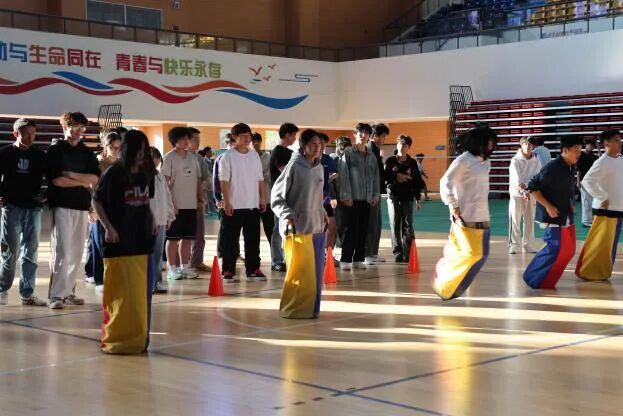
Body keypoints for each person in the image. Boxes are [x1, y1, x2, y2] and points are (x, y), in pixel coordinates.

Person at [92, 130, 156, 354]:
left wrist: (152, 218)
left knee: (141, 294)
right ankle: (116, 338)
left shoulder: (146, 173)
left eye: (144, 151)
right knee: (120, 292)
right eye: (138, 150)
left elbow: (147, 201)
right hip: (119, 240)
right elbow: (97, 201)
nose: (141, 155)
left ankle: (140, 339)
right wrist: (108, 227)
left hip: (142, 240)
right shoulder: (114, 173)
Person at [435, 126, 497, 300]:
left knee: (480, 254)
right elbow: (445, 182)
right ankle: (446, 284)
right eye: (489, 141)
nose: (491, 145)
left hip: (483, 215)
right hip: (465, 216)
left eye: (493, 141)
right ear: (479, 142)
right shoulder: (464, 160)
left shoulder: (486, 162)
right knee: (473, 254)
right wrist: (453, 205)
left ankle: (446, 279)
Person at [271, 129, 328, 319]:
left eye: (319, 144)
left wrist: (323, 212)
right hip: (297, 229)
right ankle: (293, 309)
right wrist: (287, 214)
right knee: (300, 273)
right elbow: (276, 196)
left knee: (315, 274)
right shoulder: (294, 166)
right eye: (313, 143)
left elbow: (317, 197)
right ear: (303, 146)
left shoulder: (319, 167)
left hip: (317, 228)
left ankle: (311, 310)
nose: (317, 147)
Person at [47, 112, 100, 309]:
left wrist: (71, 175)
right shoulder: (55, 150)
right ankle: (56, 295)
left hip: (82, 206)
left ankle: (68, 292)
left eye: (82, 128)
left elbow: (94, 179)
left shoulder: (86, 152)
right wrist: (82, 181)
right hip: (61, 205)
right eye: (75, 127)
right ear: (65, 127)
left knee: (77, 251)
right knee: (62, 250)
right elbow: (57, 181)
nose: (79, 131)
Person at [523, 136, 583, 290]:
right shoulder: (552, 167)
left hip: (566, 214)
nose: (578, 154)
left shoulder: (570, 166)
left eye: (580, 150)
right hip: (554, 216)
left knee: (568, 250)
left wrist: (571, 203)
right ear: (565, 150)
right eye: (575, 150)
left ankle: (546, 279)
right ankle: (533, 277)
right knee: (554, 248)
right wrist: (548, 206)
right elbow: (532, 186)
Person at [0, 118, 47, 306]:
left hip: (33, 207)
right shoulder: (5, 153)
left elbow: (50, 178)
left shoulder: (39, 155)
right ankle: (2, 289)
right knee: (9, 250)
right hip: (12, 206)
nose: (30, 137)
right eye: (26, 133)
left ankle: (27, 293)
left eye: (33, 133)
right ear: (15, 134)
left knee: (31, 251)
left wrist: (45, 196)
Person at [219, 123, 267, 282]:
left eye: (249, 135)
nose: (247, 139)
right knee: (230, 240)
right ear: (234, 137)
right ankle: (228, 269)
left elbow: (260, 178)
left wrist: (262, 197)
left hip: (252, 204)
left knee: (253, 239)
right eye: (243, 136)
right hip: (234, 205)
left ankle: (253, 269)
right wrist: (227, 202)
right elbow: (224, 181)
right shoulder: (228, 156)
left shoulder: (254, 156)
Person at [576, 130, 623, 281]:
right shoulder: (602, 162)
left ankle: (603, 272)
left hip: (618, 209)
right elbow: (587, 181)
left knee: (610, 246)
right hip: (605, 210)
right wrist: (602, 197)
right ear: (606, 143)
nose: (620, 142)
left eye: (620, 139)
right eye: (616, 140)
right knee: (600, 244)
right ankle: (589, 272)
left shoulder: (620, 160)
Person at [337, 123, 380, 270]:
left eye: (366, 133)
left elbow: (376, 176)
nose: (363, 135)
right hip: (351, 198)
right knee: (350, 230)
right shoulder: (348, 153)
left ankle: (358, 259)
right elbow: (343, 175)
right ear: (355, 134)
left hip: (367, 199)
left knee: (363, 230)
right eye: (360, 132)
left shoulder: (371, 155)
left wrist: (375, 194)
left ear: (369, 136)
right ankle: (345, 259)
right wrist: (346, 196)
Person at [161, 127, 202, 280]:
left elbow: (197, 180)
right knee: (173, 239)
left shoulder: (192, 157)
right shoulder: (169, 158)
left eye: (187, 138)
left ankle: (185, 267)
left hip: (191, 205)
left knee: (187, 238)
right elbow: (164, 183)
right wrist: (171, 204)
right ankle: (172, 269)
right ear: (175, 141)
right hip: (175, 207)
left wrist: (199, 200)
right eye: (183, 139)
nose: (186, 141)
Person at [85, 130, 122, 293]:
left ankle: (114, 277)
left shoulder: (121, 164)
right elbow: (90, 188)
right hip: (99, 208)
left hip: (116, 209)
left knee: (114, 245)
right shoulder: (98, 163)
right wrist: (90, 210)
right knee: (99, 244)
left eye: (118, 148)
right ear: (105, 146)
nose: (115, 150)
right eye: (112, 147)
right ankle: (100, 279)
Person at [384, 135, 424, 263]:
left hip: (408, 197)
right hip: (394, 197)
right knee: (395, 224)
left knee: (408, 225)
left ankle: (408, 253)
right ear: (397, 145)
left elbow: (417, 181)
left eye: (405, 145)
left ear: (409, 147)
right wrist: (397, 177)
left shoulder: (412, 163)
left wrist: (418, 197)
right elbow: (385, 177)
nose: (402, 146)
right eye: (400, 143)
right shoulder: (390, 161)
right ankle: (398, 252)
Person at [268, 123, 299, 272]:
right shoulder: (278, 152)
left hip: (291, 195)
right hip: (280, 197)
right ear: (287, 135)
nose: (295, 139)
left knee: (289, 228)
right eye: (294, 135)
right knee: (277, 229)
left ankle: (289, 257)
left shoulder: (291, 153)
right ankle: (277, 260)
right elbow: (285, 173)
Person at [508, 136, 541, 254]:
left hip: (531, 194)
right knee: (515, 219)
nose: (527, 146)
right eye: (525, 144)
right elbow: (516, 178)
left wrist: (528, 189)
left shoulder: (536, 161)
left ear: (533, 146)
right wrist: (522, 190)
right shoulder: (515, 160)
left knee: (530, 219)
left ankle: (528, 244)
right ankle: (514, 245)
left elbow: (536, 178)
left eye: (530, 144)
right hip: (516, 194)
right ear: (521, 145)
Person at [149, 147, 175, 293]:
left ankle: (157, 282)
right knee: (148, 253)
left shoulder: (159, 176)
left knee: (158, 254)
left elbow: (167, 197)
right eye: (152, 157)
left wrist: (170, 215)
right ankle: (148, 282)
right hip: (148, 222)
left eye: (157, 157)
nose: (156, 160)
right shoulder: (142, 176)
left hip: (161, 220)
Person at [187, 127, 212, 273]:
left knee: (199, 236)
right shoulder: (174, 158)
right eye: (195, 138)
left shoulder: (199, 159)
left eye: (199, 139)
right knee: (183, 237)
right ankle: (181, 265)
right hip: (182, 203)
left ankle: (196, 262)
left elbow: (208, 178)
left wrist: (203, 185)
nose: (198, 142)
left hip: (198, 202)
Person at [364, 123, 389, 265]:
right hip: (370, 193)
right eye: (383, 136)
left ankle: (373, 252)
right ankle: (366, 254)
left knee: (376, 224)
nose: (384, 139)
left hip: (377, 192)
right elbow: (370, 173)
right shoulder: (369, 149)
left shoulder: (376, 150)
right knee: (370, 223)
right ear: (375, 136)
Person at [213, 134, 238, 259]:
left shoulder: (239, 158)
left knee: (236, 227)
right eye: (231, 143)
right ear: (227, 144)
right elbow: (216, 180)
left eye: (235, 143)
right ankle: (222, 253)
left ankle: (235, 252)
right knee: (225, 227)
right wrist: (218, 198)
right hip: (224, 198)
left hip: (237, 198)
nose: (233, 146)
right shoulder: (221, 158)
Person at [252, 132, 275, 246]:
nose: (256, 143)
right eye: (254, 141)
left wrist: (259, 175)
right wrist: (261, 174)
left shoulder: (268, 157)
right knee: (253, 230)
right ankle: (254, 254)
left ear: (261, 142)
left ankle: (275, 253)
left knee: (270, 228)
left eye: (258, 141)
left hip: (267, 198)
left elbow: (270, 175)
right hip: (252, 201)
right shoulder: (248, 157)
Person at [331, 136, 352, 254]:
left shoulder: (351, 161)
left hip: (347, 197)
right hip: (335, 198)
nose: (343, 150)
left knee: (346, 224)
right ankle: (335, 248)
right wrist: (333, 197)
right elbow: (330, 181)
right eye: (341, 147)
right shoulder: (332, 159)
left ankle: (342, 247)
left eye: (346, 147)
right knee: (336, 224)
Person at [318, 133, 338, 248]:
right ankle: (317, 253)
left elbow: (336, 173)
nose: (321, 146)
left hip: (325, 198)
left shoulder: (327, 159)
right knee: (317, 229)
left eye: (323, 144)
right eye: (319, 143)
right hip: (312, 199)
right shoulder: (307, 159)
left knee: (331, 226)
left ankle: (329, 253)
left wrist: (329, 179)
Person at [577, 141, 598, 227]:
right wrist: (578, 181)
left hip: (592, 181)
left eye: (593, 146)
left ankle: (590, 219)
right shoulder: (581, 155)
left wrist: (599, 148)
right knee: (586, 201)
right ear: (586, 145)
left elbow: (601, 159)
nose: (591, 147)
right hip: (583, 180)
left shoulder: (593, 156)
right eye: (590, 145)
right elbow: (578, 169)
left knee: (592, 202)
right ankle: (585, 221)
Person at [202, 146, 218, 215]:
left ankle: (212, 209)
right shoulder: (204, 161)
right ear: (207, 152)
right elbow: (206, 173)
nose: (212, 153)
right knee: (208, 197)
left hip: (211, 180)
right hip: (207, 181)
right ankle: (208, 210)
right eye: (211, 152)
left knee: (210, 196)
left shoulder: (210, 161)